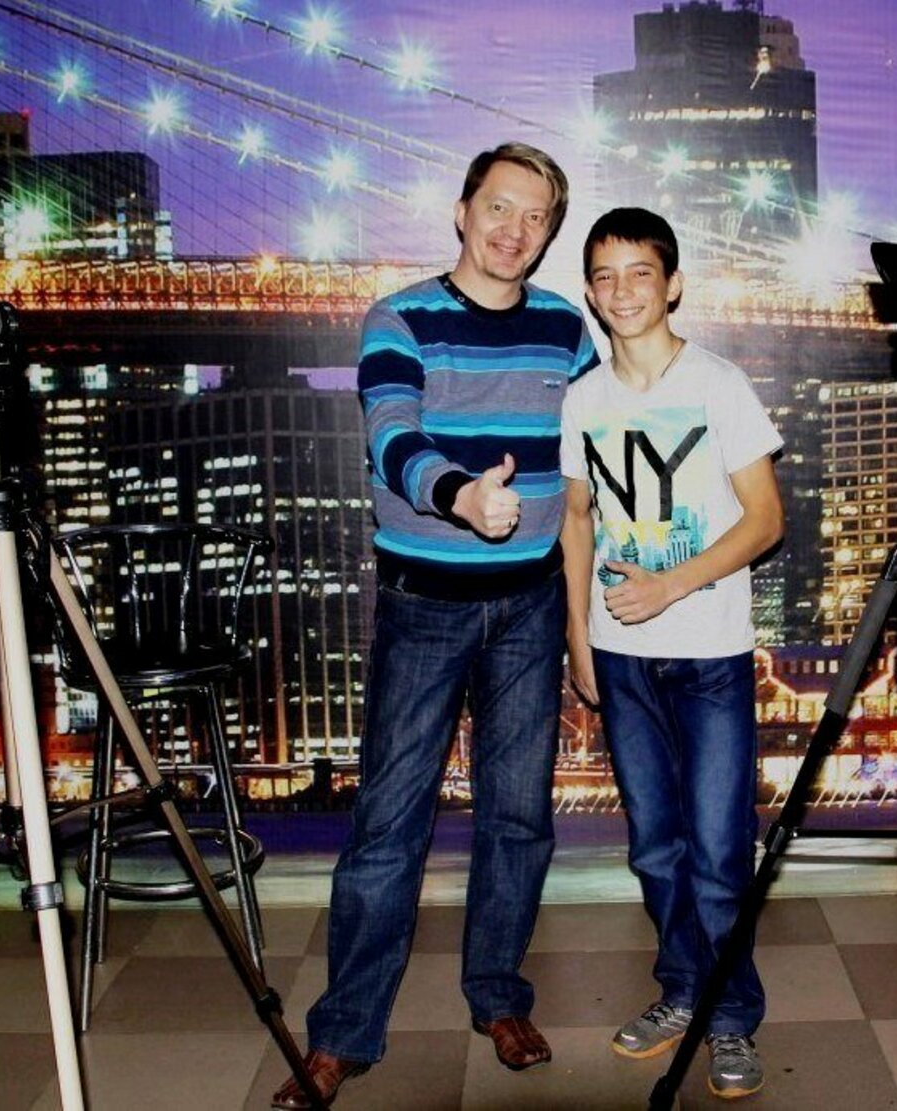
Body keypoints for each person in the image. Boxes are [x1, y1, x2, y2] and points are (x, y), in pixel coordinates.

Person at [273, 142, 599, 1110]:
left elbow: (612, 434)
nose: (513, 230)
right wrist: (460, 495)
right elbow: (391, 435)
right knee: (388, 823)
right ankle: (342, 1033)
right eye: (498, 207)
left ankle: (498, 996)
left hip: (532, 604)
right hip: (424, 604)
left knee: (519, 817)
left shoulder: (565, 327)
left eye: (535, 216)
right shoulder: (399, 317)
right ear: (461, 211)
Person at [559, 207, 784, 1100]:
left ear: (674, 283)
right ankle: (684, 989)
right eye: (604, 276)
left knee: (720, 852)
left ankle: (732, 1016)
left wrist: (672, 584)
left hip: (711, 655)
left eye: (640, 272)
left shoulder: (719, 383)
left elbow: (766, 520)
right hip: (620, 655)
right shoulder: (583, 398)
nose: (622, 291)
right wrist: (579, 635)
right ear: (589, 293)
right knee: (655, 848)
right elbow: (577, 521)